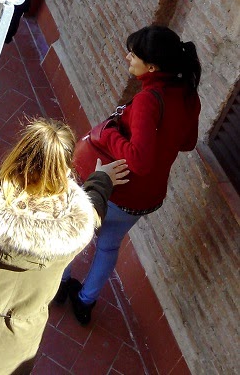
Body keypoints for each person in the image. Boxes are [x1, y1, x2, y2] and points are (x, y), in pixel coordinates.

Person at [0, 118, 129, 375]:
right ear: (65, 170)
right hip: (13, 355)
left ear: (17, 155)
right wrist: (102, 180)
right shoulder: (73, 231)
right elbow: (93, 210)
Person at [59, 24, 201, 325]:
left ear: (152, 67)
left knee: (75, 232)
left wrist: (108, 134)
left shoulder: (150, 98)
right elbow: (188, 142)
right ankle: (85, 302)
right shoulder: (189, 95)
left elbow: (138, 160)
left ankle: (58, 285)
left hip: (116, 189)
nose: (127, 58)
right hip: (145, 198)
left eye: (134, 55)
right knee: (109, 245)